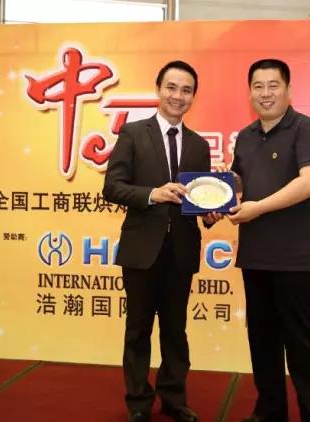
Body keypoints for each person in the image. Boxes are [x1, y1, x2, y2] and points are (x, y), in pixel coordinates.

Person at [103, 60, 222, 422]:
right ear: (158, 90)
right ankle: (139, 403)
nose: (178, 96)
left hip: (181, 251)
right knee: (138, 330)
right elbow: (112, 187)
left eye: (186, 90)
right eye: (171, 87)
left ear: (193, 97)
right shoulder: (133, 133)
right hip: (142, 249)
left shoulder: (199, 145)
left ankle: (173, 398)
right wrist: (152, 194)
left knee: (175, 331)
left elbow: (198, 199)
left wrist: (209, 214)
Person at [228, 58, 310, 422]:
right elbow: (236, 183)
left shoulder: (307, 129)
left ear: (288, 89)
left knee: (303, 345)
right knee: (263, 340)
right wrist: (214, 203)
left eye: (273, 85)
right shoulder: (245, 136)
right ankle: (270, 412)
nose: (265, 93)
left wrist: (258, 208)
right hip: (255, 256)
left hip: (295, 259)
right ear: (250, 92)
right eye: (258, 86)